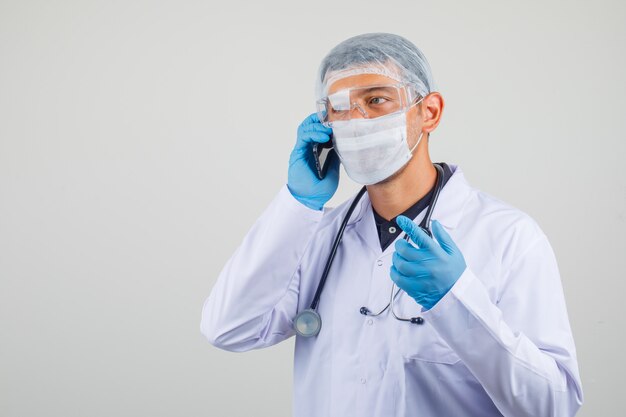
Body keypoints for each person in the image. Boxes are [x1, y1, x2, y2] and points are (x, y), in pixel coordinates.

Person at [200, 32, 583, 417]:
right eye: (339, 108)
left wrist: (458, 300)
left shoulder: (509, 237)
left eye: (376, 100)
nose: (356, 120)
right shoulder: (316, 237)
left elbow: (553, 405)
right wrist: (297, 204)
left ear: (429, 111)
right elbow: (229, 327)